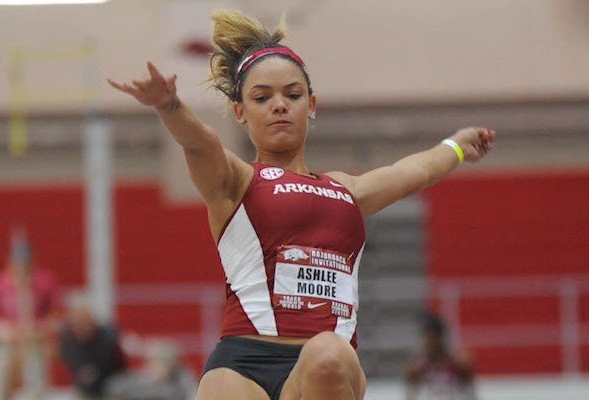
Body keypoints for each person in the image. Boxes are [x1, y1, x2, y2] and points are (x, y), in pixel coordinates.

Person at [108, 9, 495, 400]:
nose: (279, 105)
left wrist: (457, 147)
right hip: (243, 362)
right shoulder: (237, 181)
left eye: (292, 95)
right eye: (262, 97)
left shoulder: (347, 190)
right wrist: (168, 105)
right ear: (240, 111)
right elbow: (199, 143)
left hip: (326, 365)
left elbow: (415, 170)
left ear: (311, 104)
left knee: (325, 352)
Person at [0, 228, 61, 400]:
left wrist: (39, 329)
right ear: (9, 262)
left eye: (25, 263)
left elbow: (56, 316)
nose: (22, 268)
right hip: (7, 340)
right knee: (1, 376)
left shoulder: (44, 282)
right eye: (17, 263)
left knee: (36, 383)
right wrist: (4, 331)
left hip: (35, 340)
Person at [58, 291, 127, 400]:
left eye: (84, 319)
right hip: (84, 390)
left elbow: (119, 368)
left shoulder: (108, 336)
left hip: (111, 388)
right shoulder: (66, 338)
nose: (80, 325)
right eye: (76, 320)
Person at [405, 312, 476, 400]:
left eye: (432, 340)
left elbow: (471, 394)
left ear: (440, 338)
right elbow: (410, 396)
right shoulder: (416, 367)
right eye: (427, 340)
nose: (430, 344)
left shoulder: (459, 364)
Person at [105, 338, 197, 400]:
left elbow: (192, 395)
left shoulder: (183, 379)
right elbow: (117, 385)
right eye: (153, 363)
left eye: (161, 363)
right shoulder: (147, 376)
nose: (156, 368)